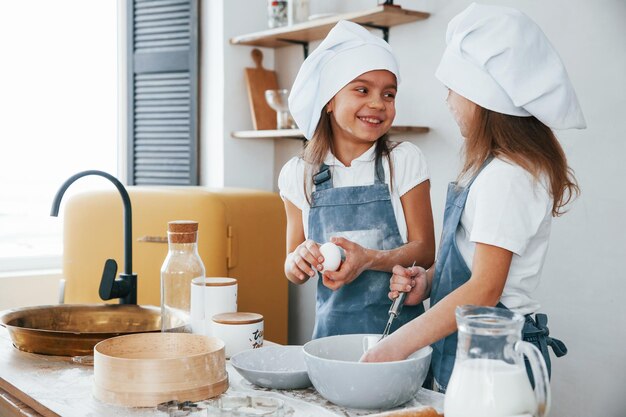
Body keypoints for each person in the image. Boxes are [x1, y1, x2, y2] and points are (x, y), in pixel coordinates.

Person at [361, 3, 584, 392]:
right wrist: (428, 282)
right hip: (472, 348)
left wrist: (394, 346)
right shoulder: (493, 171)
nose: (448, 100)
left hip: (496, 360)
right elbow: (473, 264)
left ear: (483, 101)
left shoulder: (508, 178)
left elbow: (485, 289)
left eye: (453, 89)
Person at [278, 20, 436, 339]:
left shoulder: (403, 161)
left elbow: (426, 249)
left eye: (388, 94)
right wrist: (298, 261)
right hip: (331, 340)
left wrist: (369, 260)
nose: (378, 103)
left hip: (402, 338)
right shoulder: (298, 174)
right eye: (362, 89)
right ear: (330, 100)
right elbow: (293, 266)